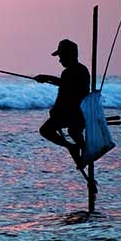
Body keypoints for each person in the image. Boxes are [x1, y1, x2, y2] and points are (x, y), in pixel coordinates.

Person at [34, 38, 90, 169]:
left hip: (73, 114)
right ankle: (83, 150)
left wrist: (55, 111)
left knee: (45, 130)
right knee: (74, 131)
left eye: (61, 56)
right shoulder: (82, 69)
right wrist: (46, 78)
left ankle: (72, 147)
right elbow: (65, 84)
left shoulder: (70, 72)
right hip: (81, 113)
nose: (60, 60)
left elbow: (65, 94)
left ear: (70, 55)